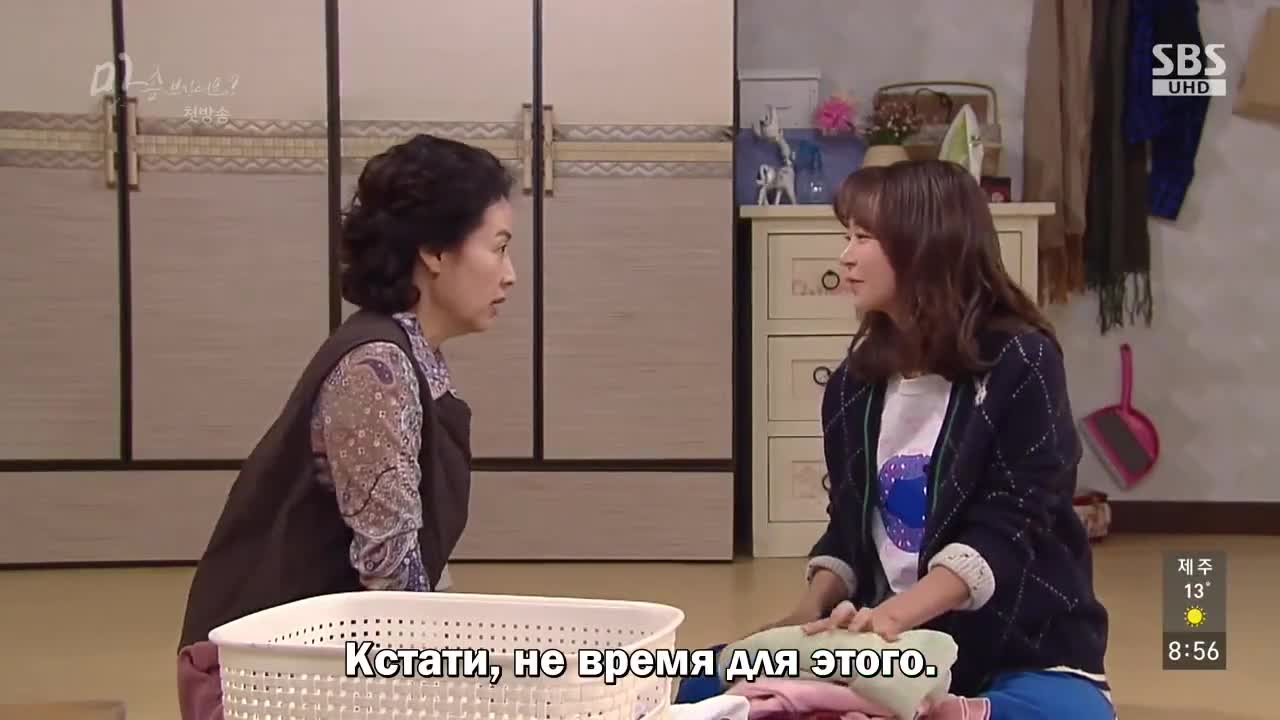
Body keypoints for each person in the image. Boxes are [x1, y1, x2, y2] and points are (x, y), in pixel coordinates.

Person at [679, 161, 1113, 720]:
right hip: (889, 644)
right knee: (679, 679)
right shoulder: (853, 385)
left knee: (1071, 714)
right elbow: (849, 525)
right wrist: (805, 617)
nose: (845, 256)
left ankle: (929, 707)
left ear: (925, 246)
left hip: (1018, 645)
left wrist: (894, 616)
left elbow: (1013, 523)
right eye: (847, 237)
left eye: (863, 238)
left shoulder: (1021, 362)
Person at [175, 134, 517, 718]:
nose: (509, 275)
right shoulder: (376, 370)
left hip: (334, 657)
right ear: (434, 251)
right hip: (268, 676)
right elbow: (392, 584)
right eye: (498, 248)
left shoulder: (415, 355)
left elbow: (413, 572)